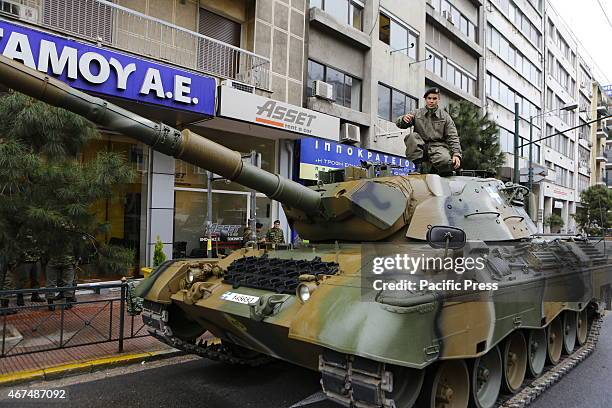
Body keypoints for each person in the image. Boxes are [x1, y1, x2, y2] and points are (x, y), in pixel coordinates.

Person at [396, 87, 462, 176]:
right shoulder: (416, 113)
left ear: (438, 99)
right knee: (411, 136)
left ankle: (438, 170)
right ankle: (417, 167)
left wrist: (456, 154)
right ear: (425, 99)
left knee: (446, 161)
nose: (431, 101)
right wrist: (403, 119)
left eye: (434, 98)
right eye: (429, 98)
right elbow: (401, 124)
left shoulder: (445, 117)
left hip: (437, 147)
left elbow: (452, 136)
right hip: (420, 146)